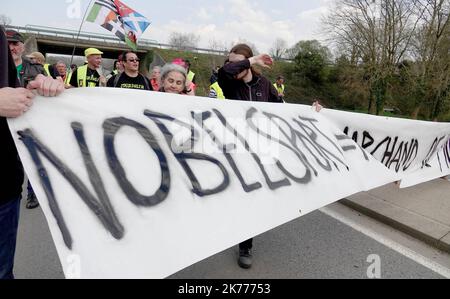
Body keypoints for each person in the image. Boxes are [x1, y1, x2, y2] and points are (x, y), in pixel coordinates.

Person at [1, 26, 65, 280]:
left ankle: (32, 192)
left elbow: (17, 99)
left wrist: (42, 94)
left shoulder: (29, 66)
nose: (12, 47)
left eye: (16, 43)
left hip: (5, 183)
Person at [218, 43, 282, 270]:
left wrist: (311, 110)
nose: (231, 66)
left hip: (261, 150)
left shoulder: (264, 84)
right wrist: (252, 61)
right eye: (230, 61)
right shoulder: (228, 83)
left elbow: (283, 109)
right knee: (237, 195)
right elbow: (225, 72)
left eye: (236, 62)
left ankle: (246, 245)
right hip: (236, 149)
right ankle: (228, 231)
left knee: (252, 198)